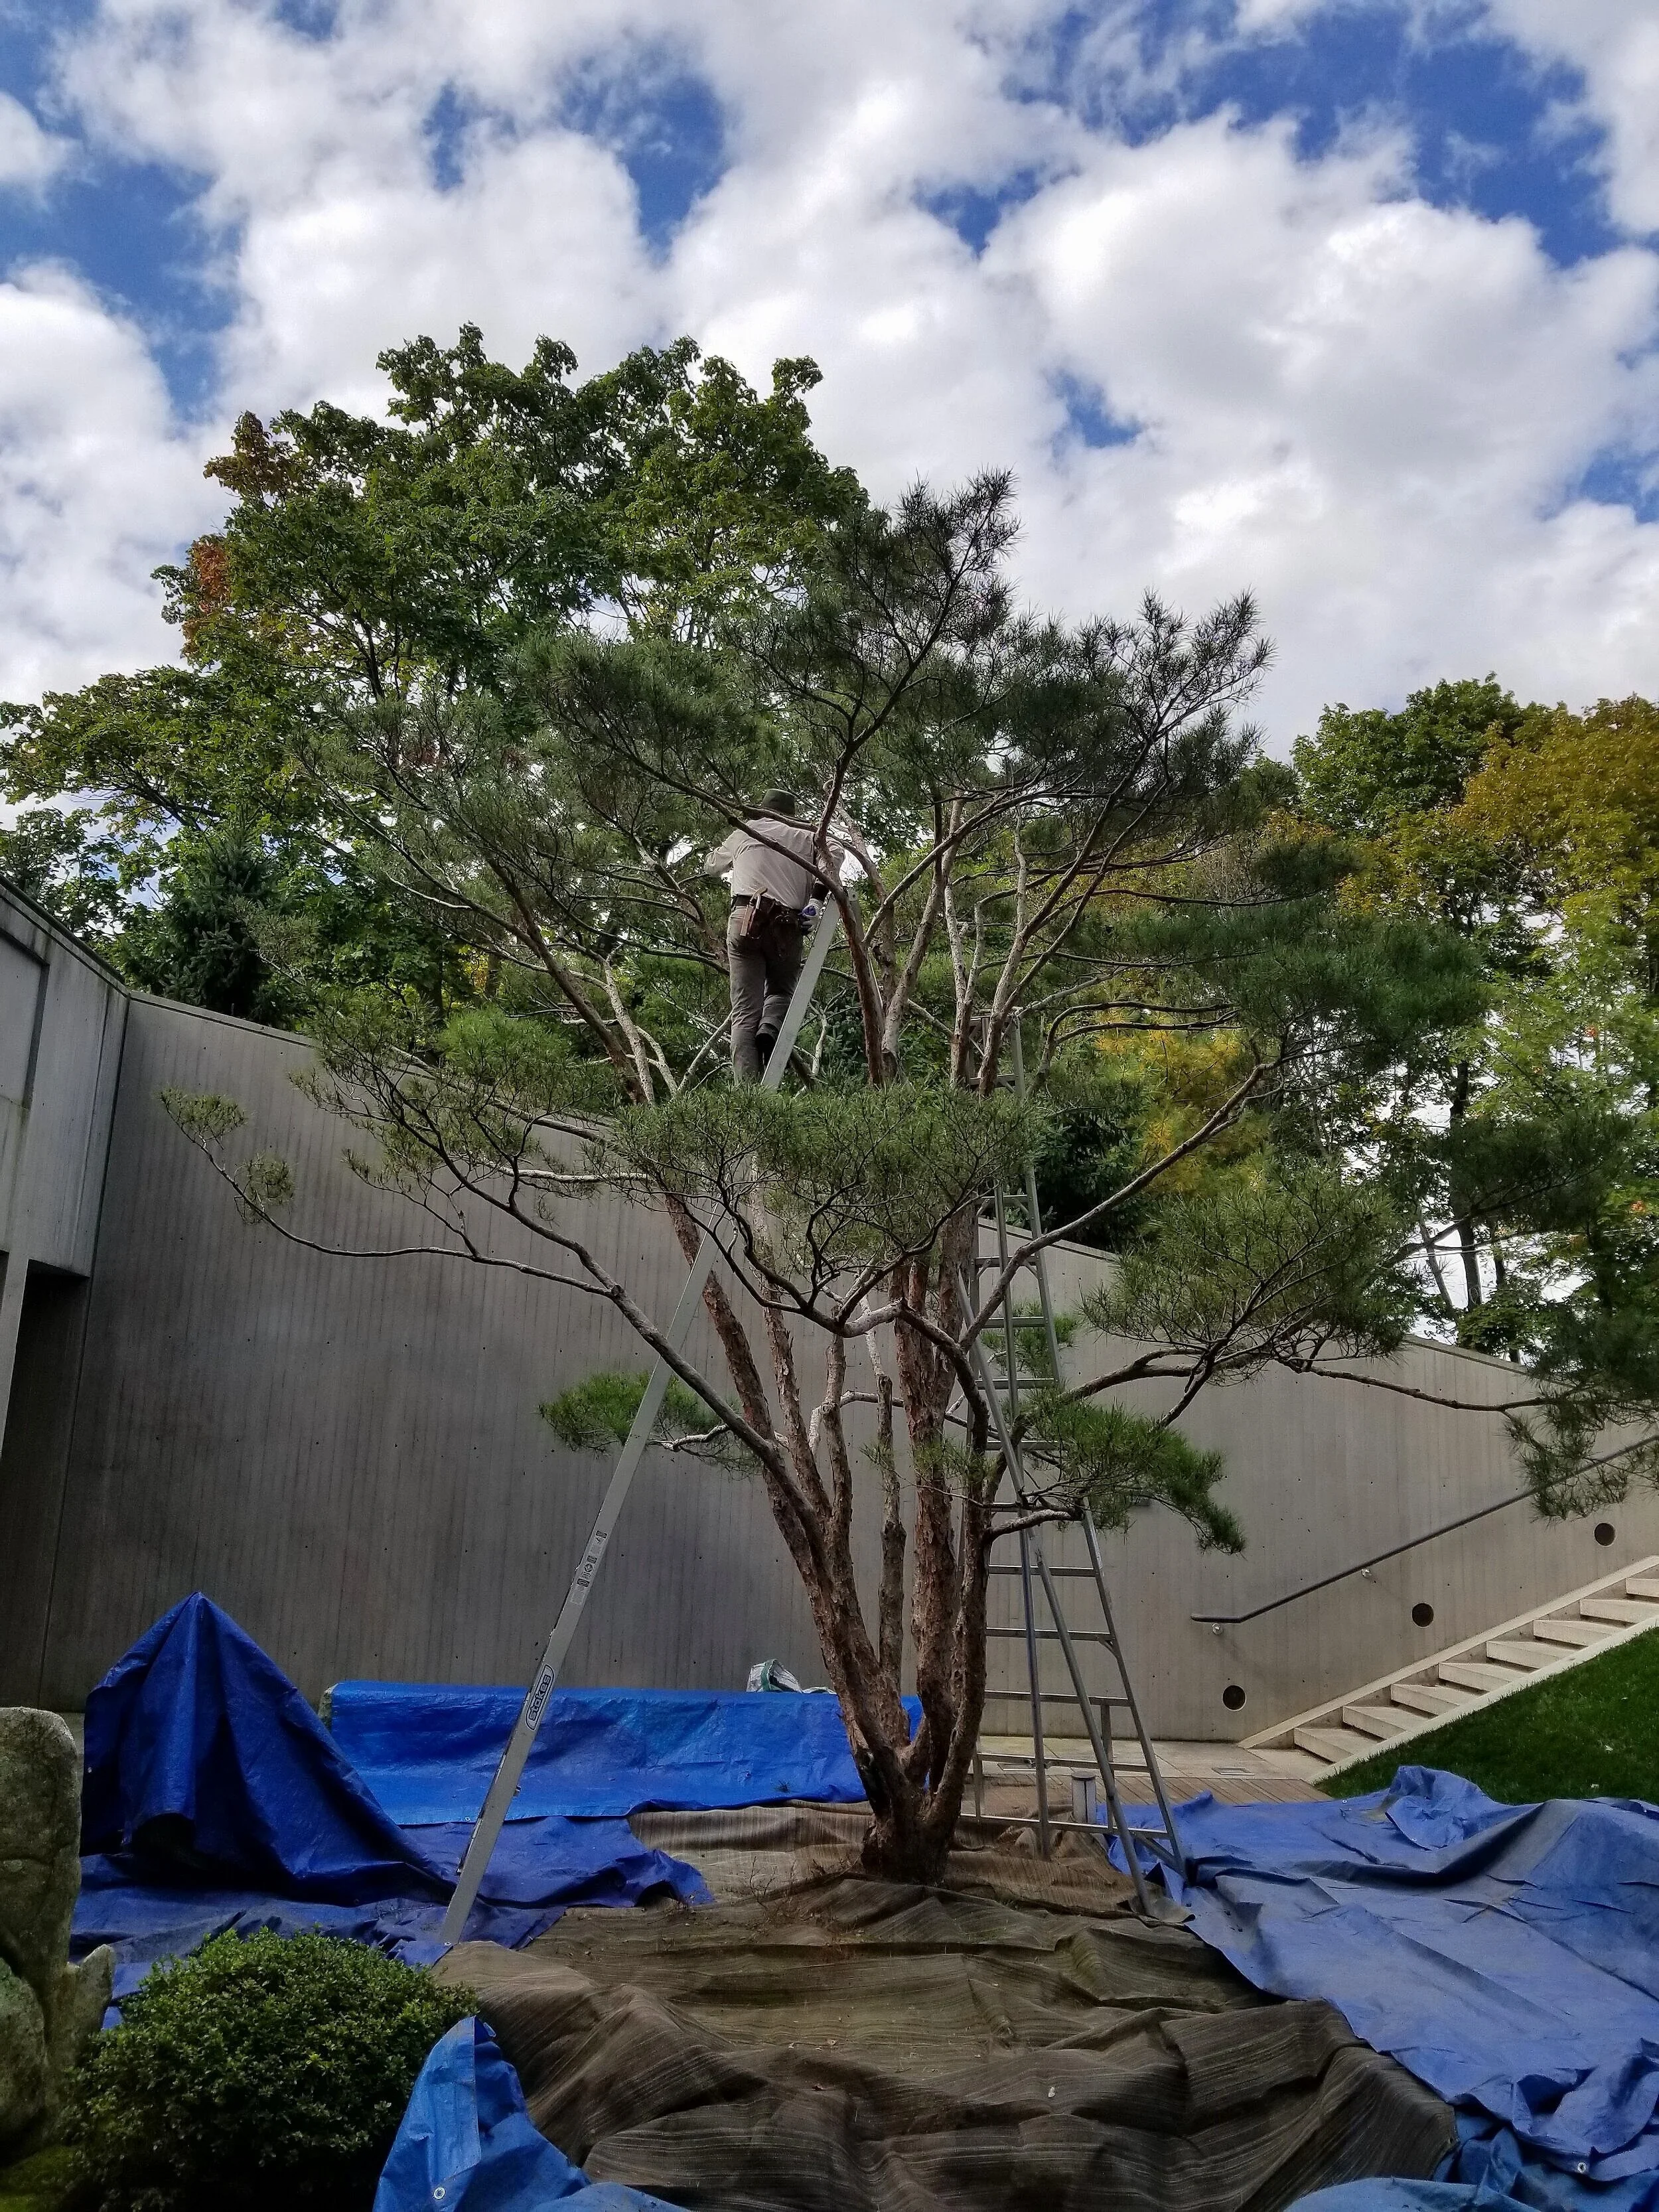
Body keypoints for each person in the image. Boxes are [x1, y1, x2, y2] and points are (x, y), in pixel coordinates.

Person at [703, 791, 843, 1081]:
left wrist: (717, 852)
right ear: (791, 814)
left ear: (762, 810)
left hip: (745, 919)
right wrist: (816, 901)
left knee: (743, 1012)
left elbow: (711, 867)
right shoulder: (807, 836)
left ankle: (747, 1093)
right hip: (786, 924)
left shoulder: (744, 831)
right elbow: (836, 853)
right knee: (781, 991)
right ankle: (770, 1026)